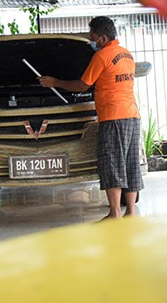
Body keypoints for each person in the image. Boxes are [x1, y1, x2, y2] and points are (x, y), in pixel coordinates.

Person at [38, 16, 142, 220]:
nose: (91, 41)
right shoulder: (127, 55)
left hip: (113, 117)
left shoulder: (101, 56)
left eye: (92, 37)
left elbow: (83, 85)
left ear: (102, 38)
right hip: (132, 115)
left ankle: (115, 213)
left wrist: (55, 82)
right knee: (130, 163)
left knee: (112, 163)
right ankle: (130, 212)